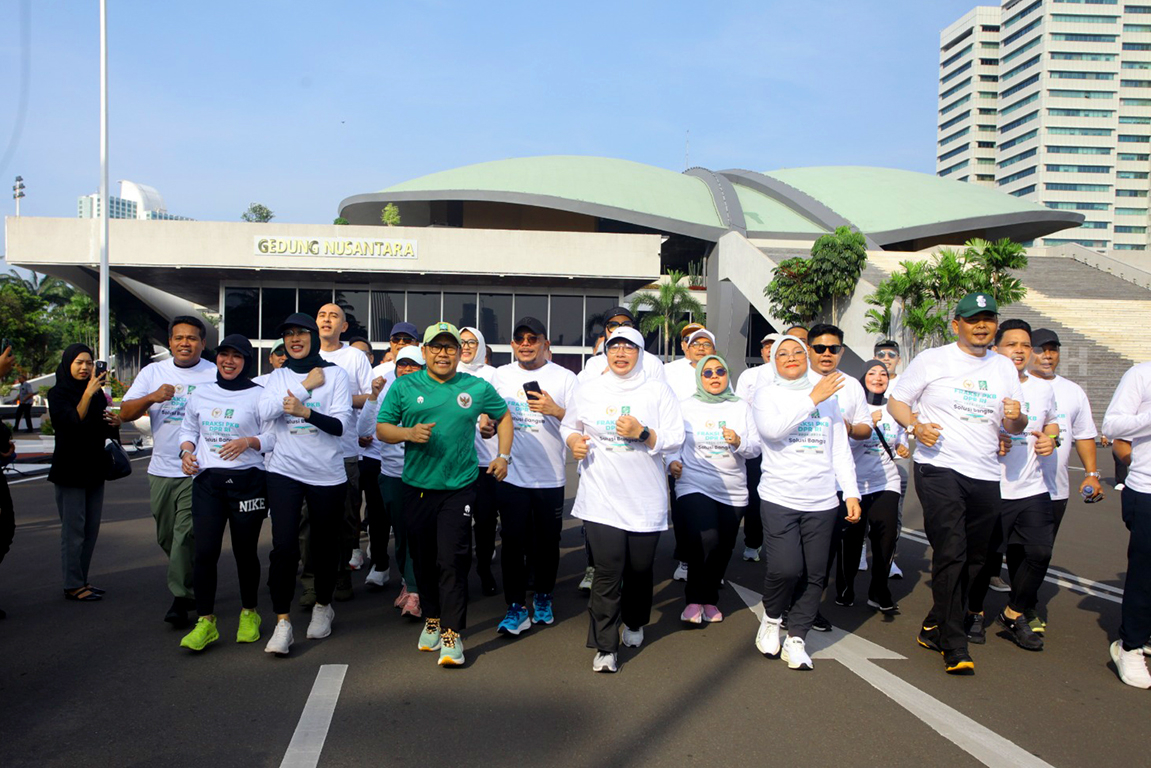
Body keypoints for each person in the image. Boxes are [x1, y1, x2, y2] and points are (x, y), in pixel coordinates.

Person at [887, 292, 1027, 675]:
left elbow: (1015, 426)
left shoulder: (1004, 367)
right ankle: (954, 643)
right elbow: (897, 402)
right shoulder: (933, 360)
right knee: (951, 551)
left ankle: (934, 624)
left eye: (988, 319)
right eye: (972, 320)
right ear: (956, 325)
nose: (981, 326)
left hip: (985, 472)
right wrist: (916, 427)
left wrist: (1017, 418)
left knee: (978, 559)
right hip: (939, 467)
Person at [377, 321, 513, 668]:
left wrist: (503, 455)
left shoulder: (475, 386)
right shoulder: (405, 386)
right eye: (436, 347)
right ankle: (433, 618)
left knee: (452, 559)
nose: (443, 353)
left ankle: (452, 634)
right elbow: (382, 429)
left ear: (458, 353)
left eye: (449, 347)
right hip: (417, 488)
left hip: (459, 487)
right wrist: (408, 433)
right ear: (424, 352)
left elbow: (503, 416)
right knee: (423, 561)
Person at [562, 327, 684, 673]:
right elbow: (569, 425)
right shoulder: (589, 389)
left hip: (644, 498)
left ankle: (634, 620)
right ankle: (605, 645)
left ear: (640, 354)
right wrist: (574, 442)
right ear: (606, 353)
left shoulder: (657, 390)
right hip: (601, 496)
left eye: (628, 348)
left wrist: (643, 433)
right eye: (614, 347)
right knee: (607, 571)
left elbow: (676, 437)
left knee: (639, 570)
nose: (620, 353)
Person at [752, 335, 860, 671]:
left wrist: (851, 491)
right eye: (782, 353)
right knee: (785, 568)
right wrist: (813, 398)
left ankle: (797, 638)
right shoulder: (767, 394)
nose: (791, 357)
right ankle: (772, 618)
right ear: (774, 361)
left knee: (815, 574)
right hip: (780, 496)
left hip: (822, 499)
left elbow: (839, 447)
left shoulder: (827, 396)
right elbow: (773, 431)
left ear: (806, 356)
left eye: (797, 351)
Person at [258, 313, 351, 656]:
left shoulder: (335, 375)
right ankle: (282, 622)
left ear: (313, 336)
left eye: (301, 333)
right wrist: (304, 387)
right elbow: (264, 412)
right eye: (288, 334)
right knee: (284, 547)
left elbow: (340, 426)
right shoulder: (279, 376)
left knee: (323, 546)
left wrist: (305, 411)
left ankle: (323, 605)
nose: (294, 339)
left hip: (326, 473)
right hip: (284, 471)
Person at [965, 319, 1058, 652]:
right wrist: (993, 440)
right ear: (996, 348)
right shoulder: (983, 384)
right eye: (1011, 344)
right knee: (983, 558)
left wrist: (1051, 439)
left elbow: (1052, 423)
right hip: (991, 486)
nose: (1019, 351)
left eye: (1025, 345)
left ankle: (1013, 613)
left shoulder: (1043, 388)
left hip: (1032, 487)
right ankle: (973, 611)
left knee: (1039, 552)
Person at [176, 335, 273, 651]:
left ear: (247, 361)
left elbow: (274, 437)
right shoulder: (201, 394)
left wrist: (249, 442)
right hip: (208, 483)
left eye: (236, 356)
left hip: (249, 482)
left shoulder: (260, 395)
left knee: (245, 552)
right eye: (223, 355)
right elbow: (189, 429)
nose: (228, 361)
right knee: (205, 553)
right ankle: (205, 621)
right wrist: (186, 452)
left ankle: (249, 613)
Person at [120, 316, 217, 628]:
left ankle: (181, 597)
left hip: (197, 469)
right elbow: (125, 413)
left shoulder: (213, 373)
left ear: (203, 343)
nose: (185, 343)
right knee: (167, 536)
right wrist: (152, 397)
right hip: (161, 469)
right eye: (179, 338)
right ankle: (191, 579)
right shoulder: (153, 373)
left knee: (184, 535)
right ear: (171, 342)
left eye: (192, 338)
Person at [492, 317, 579, 635]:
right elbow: (491, 415)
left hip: (550, 477)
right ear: (512, 345)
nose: (526, 344)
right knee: (512, 542)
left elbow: (581, 422)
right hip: (512, 474)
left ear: (545, 344)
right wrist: (487, 424)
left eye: (533, 338)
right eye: (520, 339)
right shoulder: (501, 375)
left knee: (547, 543)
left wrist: (556, 410)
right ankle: (515, 607)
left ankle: (543, 596)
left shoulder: (565, 378)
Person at [668, 354, 760, 624]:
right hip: (694, 483)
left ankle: (709, 600)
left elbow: (755, 449)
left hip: (732, 488)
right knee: (705, 538)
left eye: (720, 371)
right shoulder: (685, 406)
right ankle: (693, 600)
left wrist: (739, 441)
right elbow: (673, 442)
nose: (714, 377)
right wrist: (672, 462)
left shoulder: (741, 407)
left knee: (724, 545)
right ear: (699, 378)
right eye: (707, 373)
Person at [1027, 328, 1102, 632]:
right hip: (1013, 487)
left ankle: (1024, 607)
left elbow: (1084, 436)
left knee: (1039, 553)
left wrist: (1092, 474)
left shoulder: (1073, 392)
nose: (1047, 355)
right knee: (996, 550)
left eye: (1053, 349)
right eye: (1040, 349)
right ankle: (974, 606)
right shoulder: (1017, 385)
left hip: (1054, 489)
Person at [47, 344, 122, 602]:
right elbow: (70, 422)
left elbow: (102, 427)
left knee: (90, 529)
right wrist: (88, 394)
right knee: (73, 530)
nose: (84, 367)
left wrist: (115, 422)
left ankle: (81, 580)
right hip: (70, 470)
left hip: (94, 468)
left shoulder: (98, 394)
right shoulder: (58, 393)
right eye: (79, 362)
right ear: (68, 363)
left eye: (89, 363)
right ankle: (72, 584)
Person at [834, 359, 907, 615]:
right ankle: (845, 588)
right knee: (852, 540)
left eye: (883, 374)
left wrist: (901, 447)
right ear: (863, 378)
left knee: (886, 537)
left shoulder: (894, 409)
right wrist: (863, 428)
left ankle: (879, 591)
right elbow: (841, 446)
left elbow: (898, 439)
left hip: (885, 480)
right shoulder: (853, 406)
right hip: (854, 482)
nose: (878, 377)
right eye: (872, 373)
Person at [359, 347, 425, 616]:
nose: (407, 370)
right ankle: (409, 582)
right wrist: (373, 396)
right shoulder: (386, 394)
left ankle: (415, 590)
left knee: (416, 532)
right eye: (402, 365)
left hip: (422, 475)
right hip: (392, 474)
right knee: (401, 535)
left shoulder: (431, 394)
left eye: (413, 365)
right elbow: (363, 430)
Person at [316, 304, 374, 598]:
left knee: (346, 519)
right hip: (309, 450)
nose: (327, 320)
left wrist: (338, 399)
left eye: (334, 316)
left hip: (345, 450)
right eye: (322, 315)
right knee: (310, 521)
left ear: (344, 326)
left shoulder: (354, 357)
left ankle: (342, 575)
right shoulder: (307, 354)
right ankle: (313, 581)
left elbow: (370, 396)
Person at [1102, 360, 1151, 688]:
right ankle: (1130, 645)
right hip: (1147, 487)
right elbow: (1112, 425)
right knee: (1146, 574)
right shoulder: (1142, 374)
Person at [460, 326, 501, 597]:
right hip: (458, 463)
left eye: (471, 342)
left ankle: (484, 569)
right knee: (459, 526)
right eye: (461, 342)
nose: (465, 347)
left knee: (485, 523)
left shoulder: (493, 375)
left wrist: (492, 420)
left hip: (486, 463)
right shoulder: (449, 373)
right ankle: (459, 579)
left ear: (481, 347)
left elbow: (503, 412)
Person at [734, 332, 783, 563]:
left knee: (778, 498)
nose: (770, 350)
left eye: (775, 346)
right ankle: (752, 542)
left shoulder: (791, 376)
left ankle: (778, 543)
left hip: (782, 447)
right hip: (755, 446)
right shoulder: (749, 375)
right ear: (762, 351)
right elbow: (739, 407)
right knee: (754, 496)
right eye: (766, 346)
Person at [872, 338, 907, 581]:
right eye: (881, 355)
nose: (886, 359)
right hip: (868, 455)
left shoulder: (906, 386)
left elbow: (907, 422)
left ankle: (889, 559)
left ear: (899, 360)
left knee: (895, 512)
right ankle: (861, 551)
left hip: (895, 459)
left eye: (891, 355)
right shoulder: (865, 381)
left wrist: (903, 443)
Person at [578, 307, 666, 384]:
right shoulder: (594, 364)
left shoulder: (652, 362)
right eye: (613, 326)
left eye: (626, 325)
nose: (620, 329)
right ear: (605, 330)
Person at [663, 324, 714, 400]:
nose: (700, 347)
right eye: (688, 339)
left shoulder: (717, 371)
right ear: (682, 345)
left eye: (703, 342)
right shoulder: (667, 369)